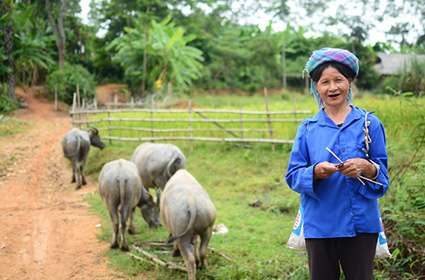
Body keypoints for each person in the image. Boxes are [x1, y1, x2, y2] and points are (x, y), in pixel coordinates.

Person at [285, 48, 389, 280]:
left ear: (349, 81)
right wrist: (315, 172)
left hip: (361, 225)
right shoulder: (308, 128)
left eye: (338, 80)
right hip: (319, 226)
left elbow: (382, 176)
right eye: (325, 82)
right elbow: (292, 175)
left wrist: (366, 167)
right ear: (316, 87)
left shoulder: (369, 123)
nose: (332, 88)